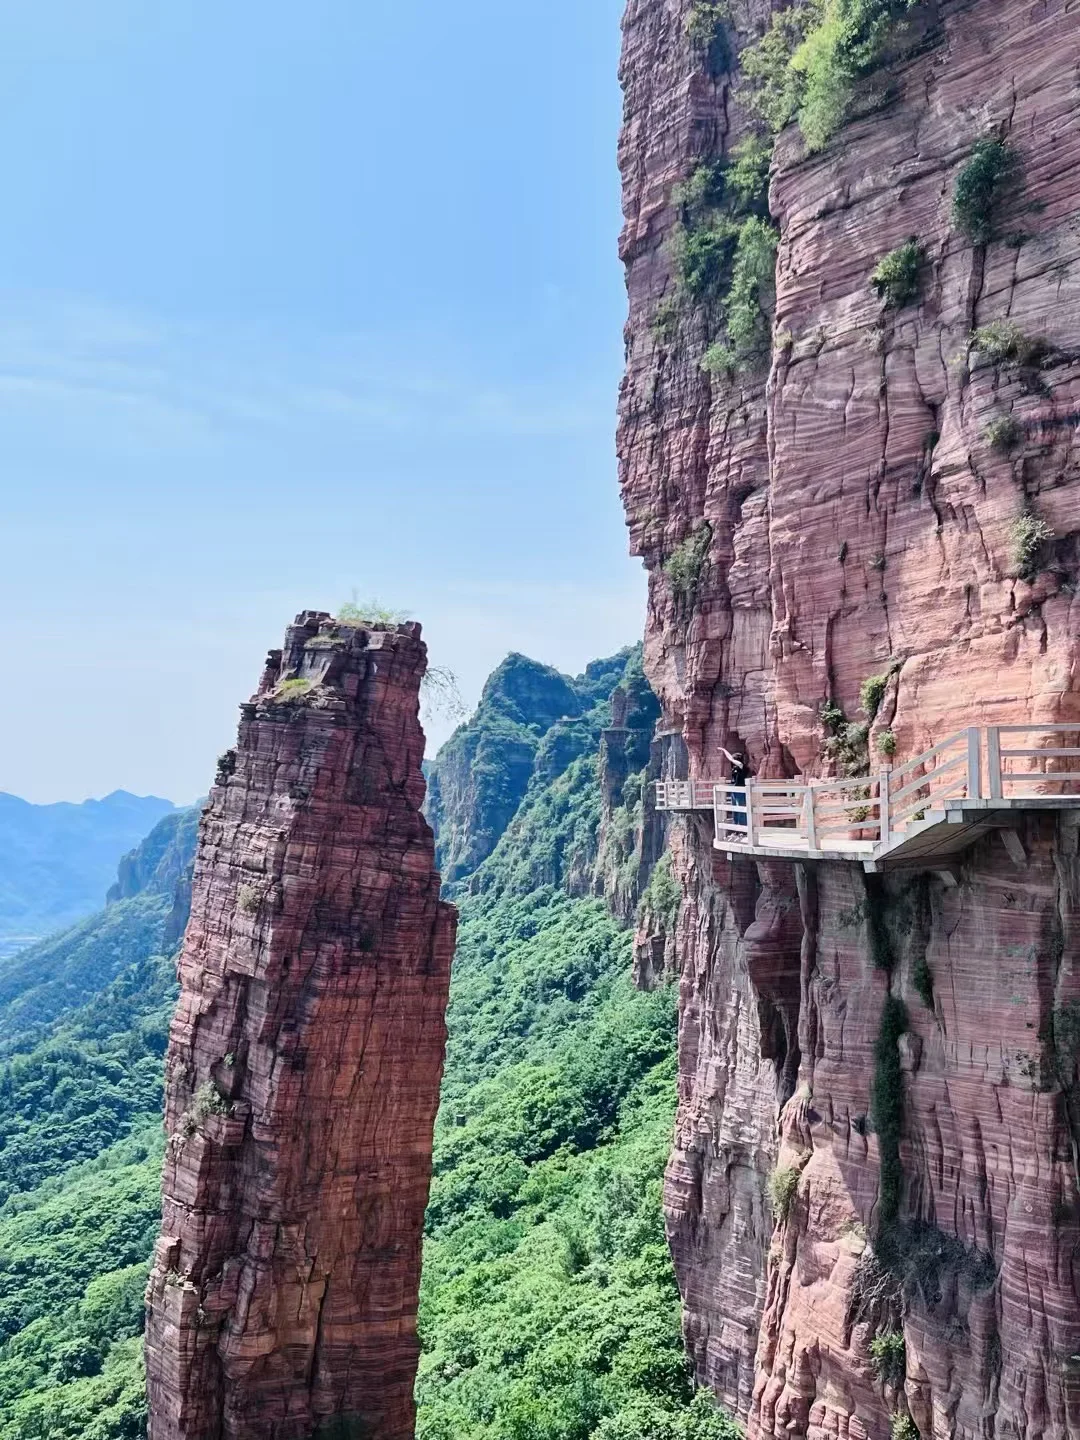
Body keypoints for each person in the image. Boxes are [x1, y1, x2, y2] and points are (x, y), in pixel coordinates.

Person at [720, 746, 750, 834]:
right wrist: (724, 750)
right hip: (734, 790)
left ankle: (743, 830)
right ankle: (737, 829)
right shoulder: (735, 768)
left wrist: (725, 750)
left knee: (741, 809)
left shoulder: (743, 767)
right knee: (735, 809)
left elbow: (732, 760)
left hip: (740, 791)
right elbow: (731, 760)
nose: (732, 762)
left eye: (734, 760)